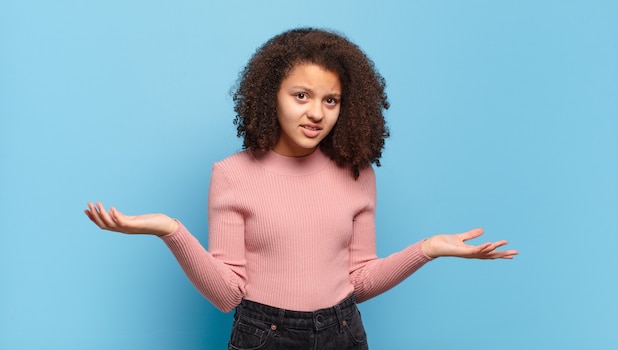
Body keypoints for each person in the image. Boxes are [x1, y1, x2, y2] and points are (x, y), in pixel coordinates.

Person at [85, 28, 518, 350]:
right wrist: (169, 230)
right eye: (301, 96)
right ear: (270, 95)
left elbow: (359, 280)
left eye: (330, 101)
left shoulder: (357, 173)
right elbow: (226, 295)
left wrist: (428, 248)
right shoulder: (232, 174)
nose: (316, 113)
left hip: (343, 332)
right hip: (264, 334)